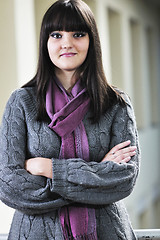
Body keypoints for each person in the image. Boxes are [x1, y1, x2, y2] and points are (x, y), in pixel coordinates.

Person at [0, 0, 140, 239]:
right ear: (45, 42)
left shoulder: (116, 103)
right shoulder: (21, 102)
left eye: (78, 34)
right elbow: (9, 185)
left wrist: (49, 168)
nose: (67, 43)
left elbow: (123, 180)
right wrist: (95, 175)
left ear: (91, 41)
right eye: (56, 34)